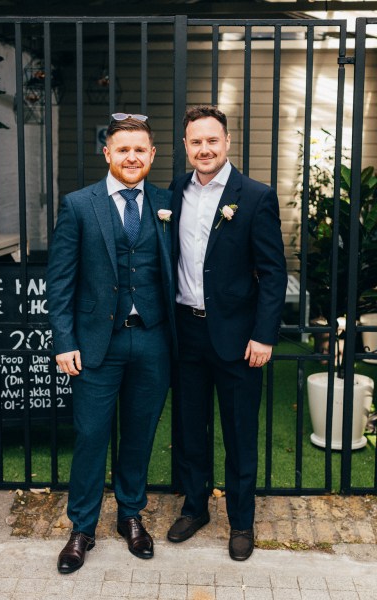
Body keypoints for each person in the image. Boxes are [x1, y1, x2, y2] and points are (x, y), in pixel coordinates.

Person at [47, 114, 176, 573]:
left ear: (152, 155)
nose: (132, 157)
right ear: (107, 154)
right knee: (91, 436)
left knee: (139, 435)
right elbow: (59, 281)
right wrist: (64, 340)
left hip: (152, 340)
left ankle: (130, 516)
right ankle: (82, 527)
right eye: (123, 149)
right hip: (96, 345)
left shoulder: (166, 201)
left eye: (140, 149)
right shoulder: (79, 205)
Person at [167, 105, 287, 561]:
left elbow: (273, 273)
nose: (204, 149)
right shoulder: (174, 192)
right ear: (185, 146)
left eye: (211, 141)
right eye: (195, 141)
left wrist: (264, 335)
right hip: (186, 333)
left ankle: (241, 521)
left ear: (227, 142)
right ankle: (195, 507)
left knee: (239, 432)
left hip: (239, 338)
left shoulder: (254, 196)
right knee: (190, 428)